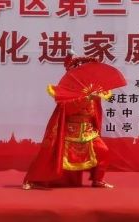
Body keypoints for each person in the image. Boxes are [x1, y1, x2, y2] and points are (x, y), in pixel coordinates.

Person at [23, 54, 114, 189]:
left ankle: (98, 180)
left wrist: (94, 98)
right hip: (69, 132)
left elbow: (95, 112)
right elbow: (66, 107)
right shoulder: (68, 87)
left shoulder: (93, 88)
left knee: (103, 151)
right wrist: (86, 99)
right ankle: (35, 180)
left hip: (88, 131)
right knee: (52, 156)